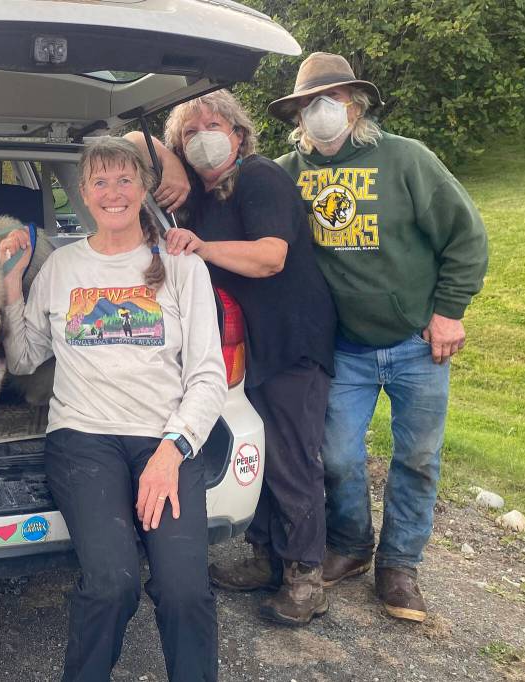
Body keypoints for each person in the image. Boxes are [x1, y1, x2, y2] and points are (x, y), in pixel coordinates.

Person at [268, 52, 489, 622]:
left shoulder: (406, 158)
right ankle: (351, 544)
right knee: (338, 456)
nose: (321, 111)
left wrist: (449, 312)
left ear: (357, 104)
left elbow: (466, 237)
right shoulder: (287, 173)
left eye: (333, 99)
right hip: (345, 347)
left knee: (417, 457)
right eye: (308, 103)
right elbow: (238, 200)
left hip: (417, 342)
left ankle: (400, 565)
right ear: (295, 114)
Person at [0, 137, 226, 682]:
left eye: (125, 179)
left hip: (165, 439)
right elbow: (24, 358)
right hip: (83, 438)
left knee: (184, 589)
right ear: (83, 193)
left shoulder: (181, 265)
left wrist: (172, 451)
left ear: (144, 187)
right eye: (100, 181)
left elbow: (208, 376)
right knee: (112, 584)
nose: (113, 192)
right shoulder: (62, 267)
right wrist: (10, 281)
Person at [126, 89, 337, 626]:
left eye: (213, 126)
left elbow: (270, 257)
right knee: (258, 453)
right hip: (245, 347)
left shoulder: (261, 178)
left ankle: (305, 577)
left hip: (291, 340)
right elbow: (128, 137)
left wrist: (201, 247)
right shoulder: (197, 193)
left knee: (292, 459)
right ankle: (265, 558)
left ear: (239, 135)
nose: (203, 138)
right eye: (189, 132)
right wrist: (171, 160)